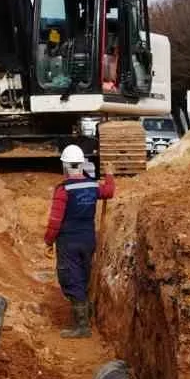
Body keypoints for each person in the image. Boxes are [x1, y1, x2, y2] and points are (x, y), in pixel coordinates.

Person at [44, 144, 115, 338]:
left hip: (68, 242)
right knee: (84, 275)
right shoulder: (92, 185)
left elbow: (55, 221)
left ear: (65, 166)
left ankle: (82, 326)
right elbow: (108, 192)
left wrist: (48, 241)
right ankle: (87, 314)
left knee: (71, 277)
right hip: (88, 239)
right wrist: (109, 175)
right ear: (81, 163)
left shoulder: (63, 190)